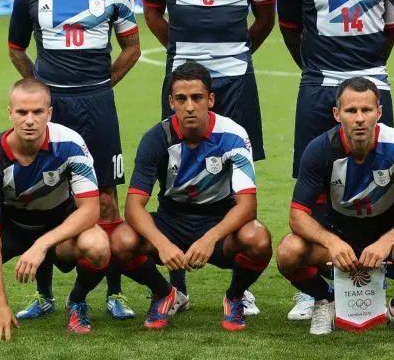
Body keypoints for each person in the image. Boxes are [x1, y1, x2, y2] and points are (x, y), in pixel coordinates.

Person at [141, 0, 275, 311]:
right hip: (183, 75)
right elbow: (155, 13)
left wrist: (235, 54)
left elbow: (266, 16)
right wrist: (185, 63)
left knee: (237, 177)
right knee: (175, 172)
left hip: (236, 77)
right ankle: (176, 286)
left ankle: (240, 288)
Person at [275, 0, 394, 321]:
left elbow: (391, 29)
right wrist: (318, 71)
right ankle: (315, 293)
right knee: (311, 185)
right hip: (317, 86)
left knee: (385, 176)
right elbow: (291, 31)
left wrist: (364, 73)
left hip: (373, 81)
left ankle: (383, 272)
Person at [8, 0, 141, 321]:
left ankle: (112, 293)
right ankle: (45, 295)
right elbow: (16, 48)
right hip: (54, 108)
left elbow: (131, 49)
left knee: (105, 199)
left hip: (97, 106)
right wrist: (40, 91)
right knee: (44, 197)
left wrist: (102, 86)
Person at [0, 79, 110, 340]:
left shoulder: (71, 144)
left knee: (98, 246)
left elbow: (90, 210)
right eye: (22, 112)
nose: (30, 120)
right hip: (11, 226)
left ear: (49, 113)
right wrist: (0, 302)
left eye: (38, 112)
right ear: (10, 113)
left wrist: (41, 245)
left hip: (58, 228)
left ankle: (77, 300)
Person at [109, 62, 272, 331]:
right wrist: (162, 243)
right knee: (119, 240)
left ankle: (234, 297)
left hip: (219, 220)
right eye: (181, 99)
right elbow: (134, 206)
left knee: (257, 238)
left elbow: (247, 206)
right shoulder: (156, 138)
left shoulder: (233, 135)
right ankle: (165, 293)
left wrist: (210, 238)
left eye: (197, 98)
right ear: (171, 102)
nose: (189, 106)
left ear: (210, 99)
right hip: (171, 220)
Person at [276, 77, 394, 337]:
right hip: (337, 245)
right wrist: (331, 242)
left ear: (379, 111)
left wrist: (387, 241)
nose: (359, 118)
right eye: (351, 110)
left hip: (388, 246)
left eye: (366, 110)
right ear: (337, 114)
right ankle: (327, 300)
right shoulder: (319, 150)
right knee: (289, 251)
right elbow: (297, 215)